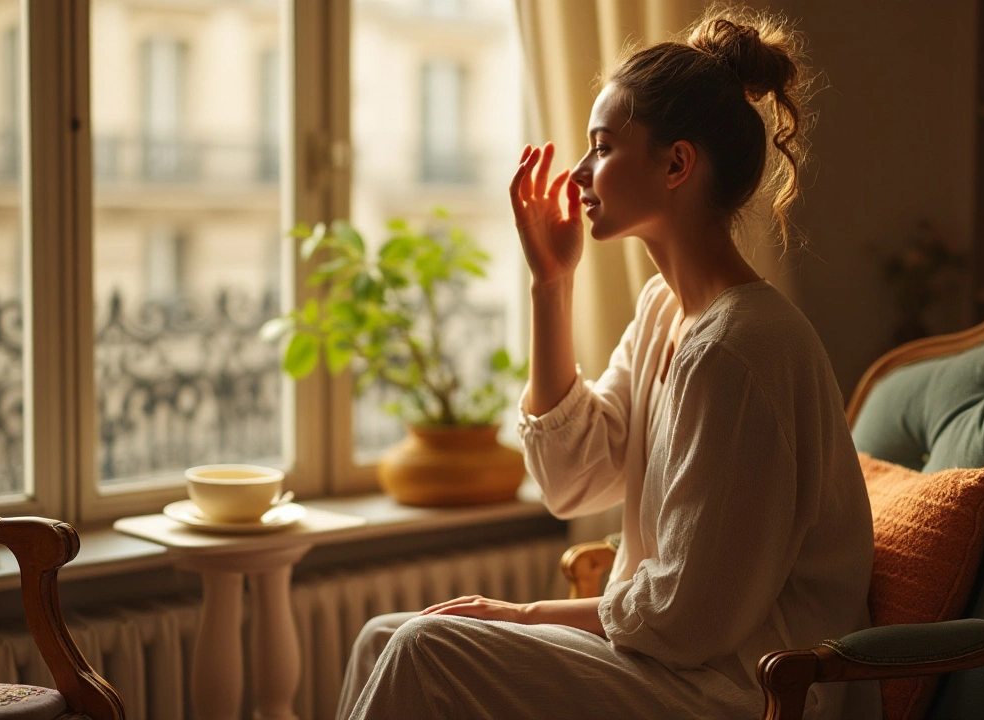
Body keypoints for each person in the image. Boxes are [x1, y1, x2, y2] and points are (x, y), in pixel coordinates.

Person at [336, 4, 879, 718]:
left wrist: (525, 614)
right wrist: (550, 286)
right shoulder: (666, 312)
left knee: (423, 647)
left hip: (742, 689)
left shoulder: (743, 349)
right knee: (386, 637)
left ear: (677, 164)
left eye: (602, 146)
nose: (582, 171)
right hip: (673, 663)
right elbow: (570, 480)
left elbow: (690, 617)